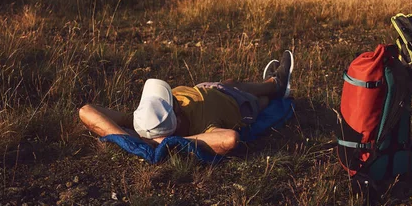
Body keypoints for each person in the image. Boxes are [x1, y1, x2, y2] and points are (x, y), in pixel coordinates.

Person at [79, 51, 294, 155]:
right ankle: (276, 84)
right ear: (178, 117)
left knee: (229, 82)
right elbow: (230, 139)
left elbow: (86, 111)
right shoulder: (203, 128)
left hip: (207, 87)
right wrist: (172, 142)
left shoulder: (141, 121)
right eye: (173, 104)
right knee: (262, 98)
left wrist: (125, 138)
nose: (174, 101)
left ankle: (271, 82)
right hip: (239, 102)